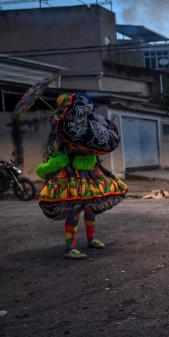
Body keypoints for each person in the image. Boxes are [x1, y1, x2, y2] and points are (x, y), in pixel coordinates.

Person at [36, 93, 127, 259]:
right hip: (70, 173)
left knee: (90, 206)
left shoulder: (84, 121)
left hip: (88, 171)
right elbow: (55, 151)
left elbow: (92, 139)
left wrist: (88, 153)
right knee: (74, 209)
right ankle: (70, 248)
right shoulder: (57, 126)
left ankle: (91, 239)